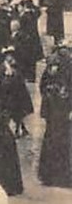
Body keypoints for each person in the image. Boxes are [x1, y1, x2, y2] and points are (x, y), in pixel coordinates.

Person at [38, 50, 72, 189]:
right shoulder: (67, 67)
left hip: (55, 113)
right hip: (61, 113)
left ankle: (50, 176)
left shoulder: (53, 69)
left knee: (53, 141)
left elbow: (43, 87)